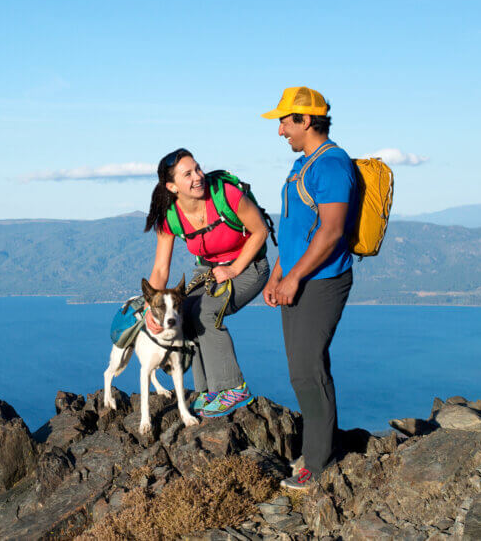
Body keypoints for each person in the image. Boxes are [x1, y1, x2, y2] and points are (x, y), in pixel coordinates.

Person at [261, 86, 356, 491]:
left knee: (307, 369)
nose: (281, 130)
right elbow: (296, 230)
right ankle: (319, 450)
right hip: (297, 278)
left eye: (285, 120)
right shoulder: (303, 165)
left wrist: (295, 276)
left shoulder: (332, 165)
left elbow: (332, 232)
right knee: (303, 369)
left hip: (322, 281)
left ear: (306, 120)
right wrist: (277, 274)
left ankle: (318, 465)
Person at [145, 148, 270, 417]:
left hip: (250, 266)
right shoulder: (170, 217)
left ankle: (234, 388)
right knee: (183, 314)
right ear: (172, 186)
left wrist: (234, 269)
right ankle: (208, 390)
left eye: (198, 169)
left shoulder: (226, 195)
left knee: (205, 310)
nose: (198, 176)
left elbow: (261, 231)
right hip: (209, 270)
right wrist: (148, 309)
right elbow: (160, 268)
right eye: (187, 174)